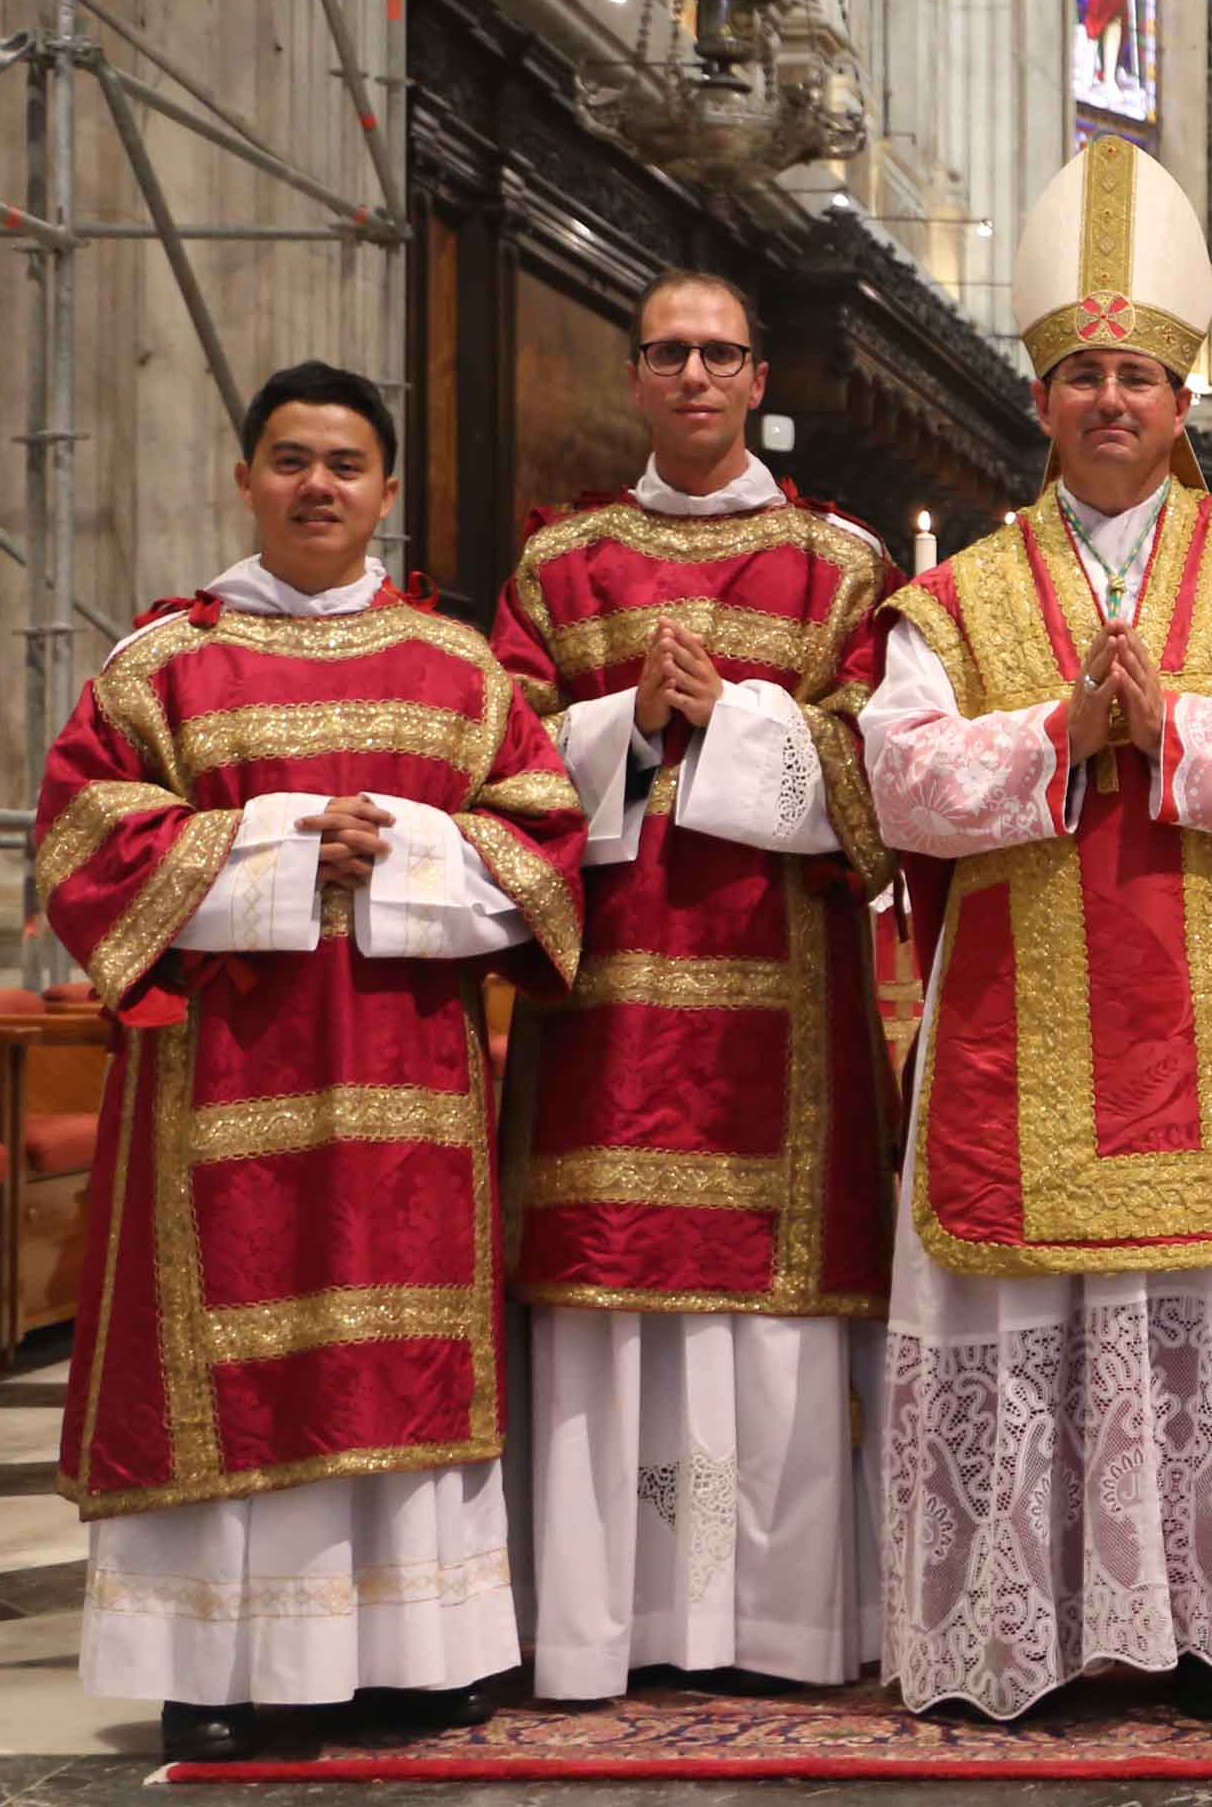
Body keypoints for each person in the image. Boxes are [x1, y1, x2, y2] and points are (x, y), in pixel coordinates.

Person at [857, 135, 1212, 1724]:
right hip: (1024, 1026)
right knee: (1039, 1321)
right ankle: (1033, 1633)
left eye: (1137, 374)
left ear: (1184, 399)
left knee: (1202, 1329)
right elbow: (901, 778)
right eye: (1081, 375)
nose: (1111, 402)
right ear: (1038, 400)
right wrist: (1061, 739)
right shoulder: (956, 601)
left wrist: (1179, 729)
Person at [42, 363, 585, 1761]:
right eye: (289, 460)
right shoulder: (160, 666)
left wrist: (400, 852)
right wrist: (283, 842)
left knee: (397, 1357)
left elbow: (545, 842)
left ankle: (415, 1651)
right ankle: (216, 1667)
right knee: (233, 1362)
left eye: (346, 464)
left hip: (408, 1085)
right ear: (245, 477)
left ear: (387, 490)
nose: (317, 487)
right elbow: (83, 842)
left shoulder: (456, 666)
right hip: (221, 1090)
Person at [489, 269, 898, 1703]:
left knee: (760, 1327)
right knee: (613, 1310)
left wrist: (745, 724)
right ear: (634, 374)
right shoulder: (561, 566)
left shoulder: (833, 565)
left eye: (720, 352)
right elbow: (497, 756)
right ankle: (603, 1629)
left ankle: (769, 1627)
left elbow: (876, 775)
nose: (695, 376)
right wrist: (630, 723)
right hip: (603, 1008)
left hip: (776, 1008)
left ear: (759, 376)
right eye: (668, 352)